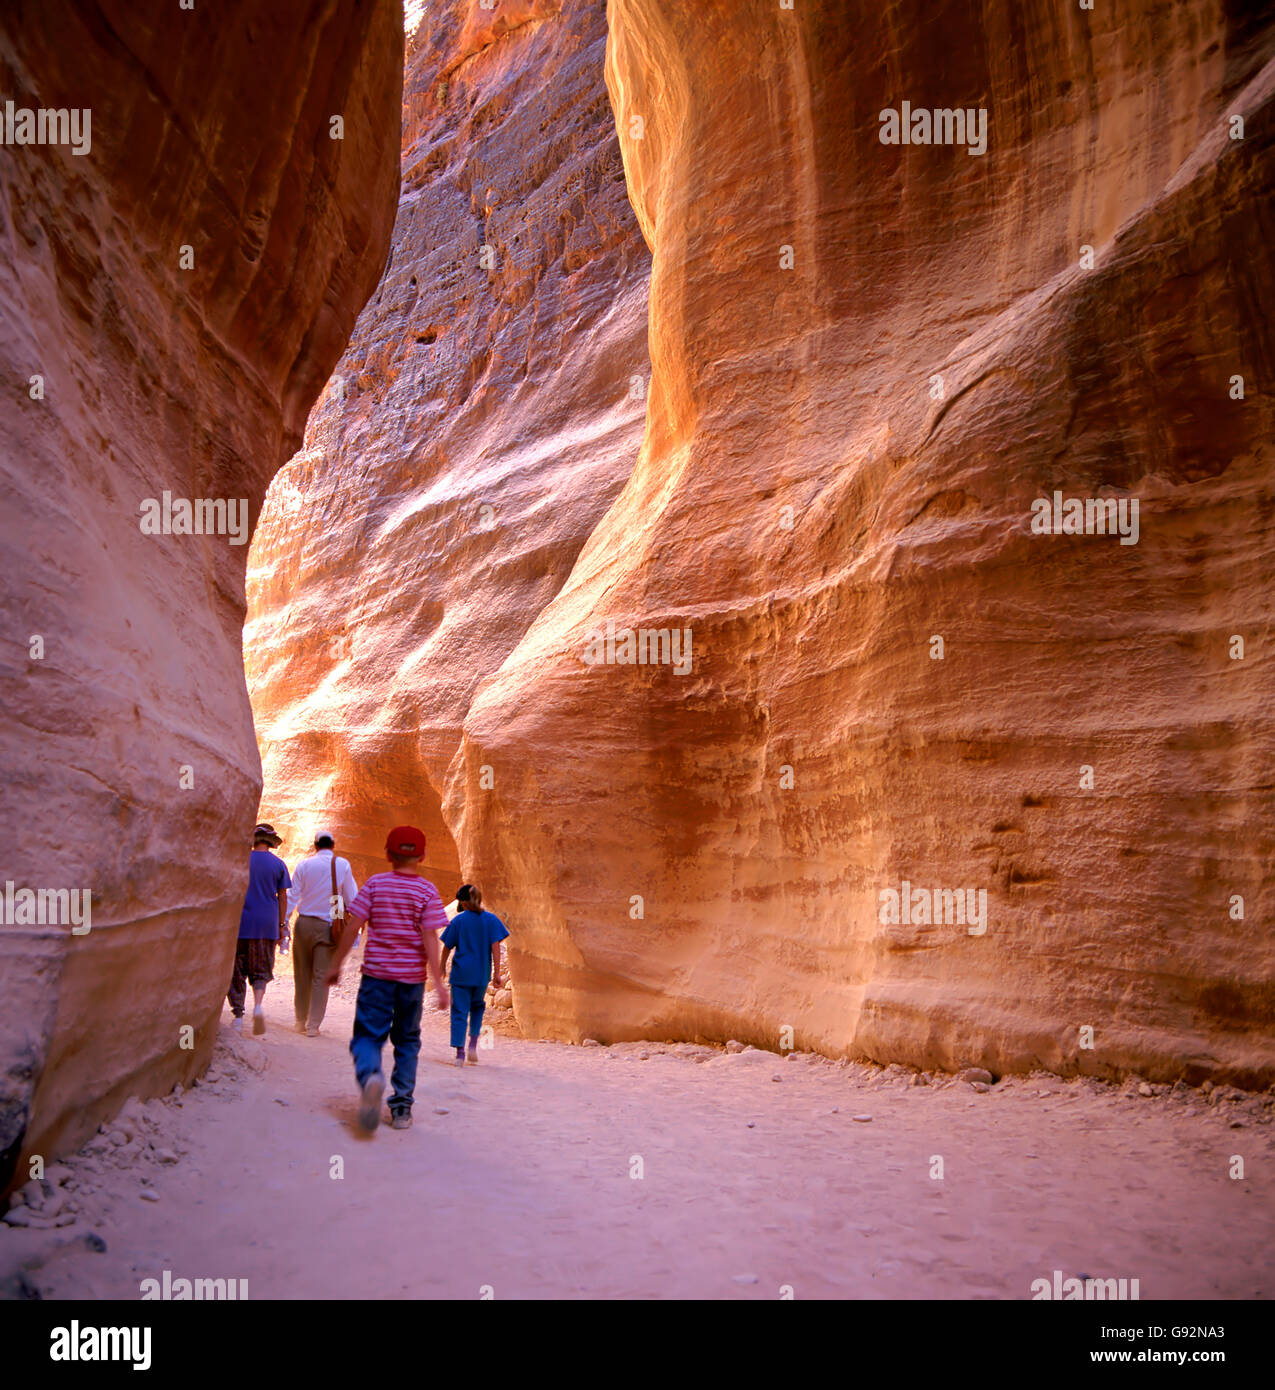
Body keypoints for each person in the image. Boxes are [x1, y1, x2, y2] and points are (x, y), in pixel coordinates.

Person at [325, 825, 449, 1132]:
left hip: (377, 978)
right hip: (411, 982)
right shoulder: (427, 891)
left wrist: (335, 964)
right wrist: (439, 982)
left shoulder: (375, 885)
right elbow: (431, 937)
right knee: (407, 1041)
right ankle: (402, 1108)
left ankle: (371, 1077)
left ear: (387, 853)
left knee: (368, 1035)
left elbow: (353, 926)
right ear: (422, 856)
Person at [287, 829, 358, 1036]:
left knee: (302, 974)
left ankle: (300, 1020)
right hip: (327, 926)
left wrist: (282, 922)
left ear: (315, 846)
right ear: (333, 845)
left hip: (303, 924)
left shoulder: (304, 864)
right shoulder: (342, 865)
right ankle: (313, 1025)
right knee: (320, 976)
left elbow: (292, 895)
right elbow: (352, 898)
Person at [228, 823, 291, 1036]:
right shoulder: (279, 864)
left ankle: (237, 1016)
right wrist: (281, 926)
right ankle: (258, 1005)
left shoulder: (241, 861)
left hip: (241, 922)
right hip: (267, 923)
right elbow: (283, 896)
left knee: (237, 968)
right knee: (262, 966)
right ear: (271, 842)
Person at [440, 885, 508, 1066]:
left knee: (459, 1011)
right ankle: (472, 1046)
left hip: (461, 974)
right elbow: (496, 947)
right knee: (477, 1008)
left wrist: (441, 967)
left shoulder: (458, 921)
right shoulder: (491, 920)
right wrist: (497, 973)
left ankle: (460, 1053)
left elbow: (447, 946)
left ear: (464, 902)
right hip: (481, 974)